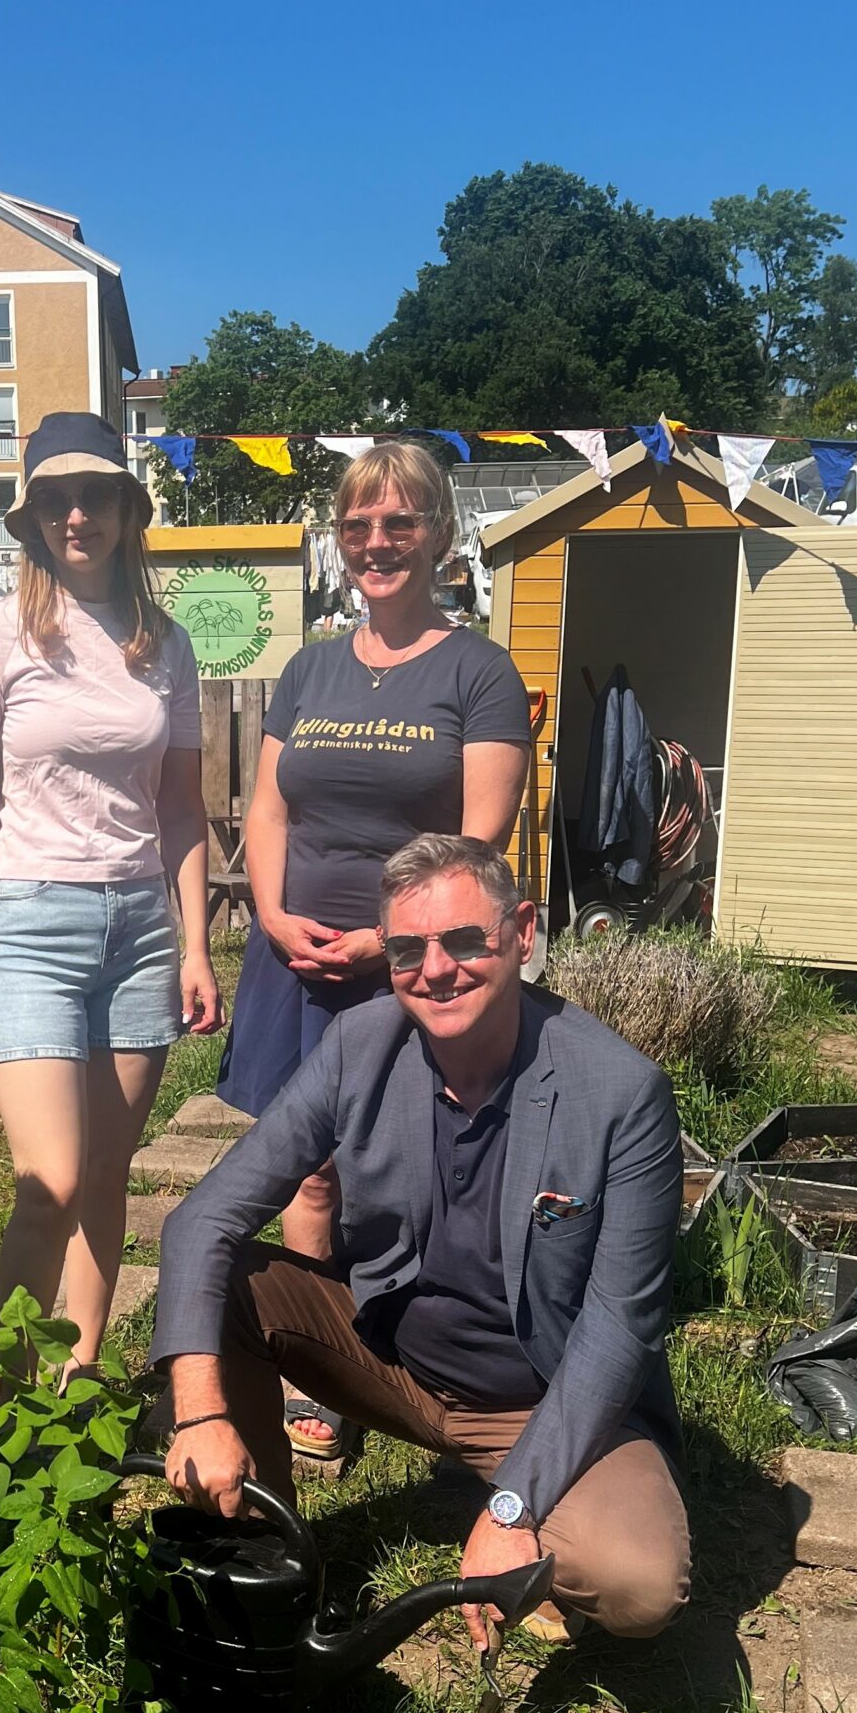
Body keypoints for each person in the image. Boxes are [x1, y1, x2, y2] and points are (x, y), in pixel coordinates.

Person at [156, 832, 689, 1646]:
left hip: (538, 1396)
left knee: (638, 1586)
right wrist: (197, 1414)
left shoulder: (620, 1094)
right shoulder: (361, 1046)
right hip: (393, 1365)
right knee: (229, 1284)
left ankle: (524, 1512)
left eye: (465, 940)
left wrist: (512, 1509)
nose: (436, 969)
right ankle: (269, 1560)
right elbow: (202, 1219)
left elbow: (621, 1330)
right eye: (409, 949)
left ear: (522, 932)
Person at [216, 438, 533, 1459]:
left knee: (405, 1164)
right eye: (358, 526)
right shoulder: (310, 668)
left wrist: (394, 941)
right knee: (308, 1169)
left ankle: (435, 1350)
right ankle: (326, 1377)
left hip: (421, 966)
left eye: (399, 523)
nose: (377, 544)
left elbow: (483, 834)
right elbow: (266, 808)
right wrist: (268, 912)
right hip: (298, 952)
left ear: (441, 536)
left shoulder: (477, 669)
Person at [0, 410, 219, 1366]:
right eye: (53, 499)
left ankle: (80, 1386)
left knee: (105, 1175)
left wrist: (195, 946)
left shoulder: (164, 646)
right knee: (45, 1179)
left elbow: (182, 810)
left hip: (139, 929)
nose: (75, 515)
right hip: (29, 925)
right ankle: (11, 1395)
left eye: (93, 495)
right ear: (33, 517)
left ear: (129, 510)